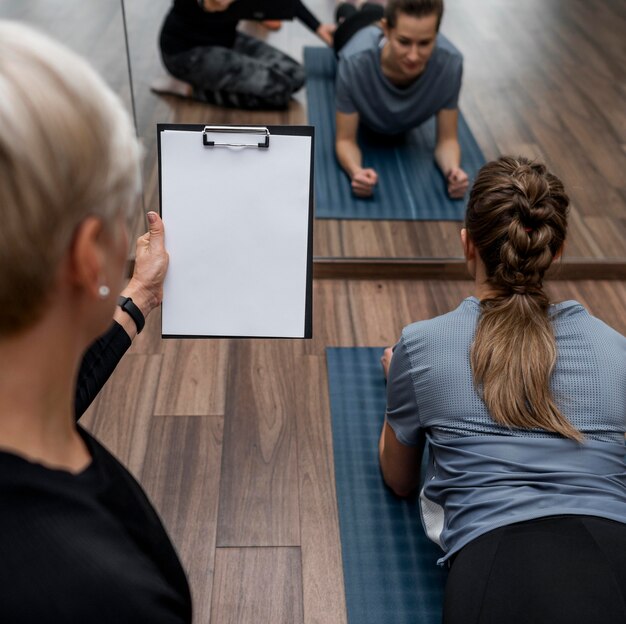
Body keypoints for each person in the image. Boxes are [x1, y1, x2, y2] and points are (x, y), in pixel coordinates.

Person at [379, 156, 626, 623]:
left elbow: (399, 478)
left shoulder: (422, 345)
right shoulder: (617, 351)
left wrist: (401, 381)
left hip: (496, 565)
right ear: (558, 250)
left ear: (467, 244)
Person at [0, 21, 191, 622]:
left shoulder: (24, 407)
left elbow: (50, 388)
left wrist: (137, 294)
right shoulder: (101, 596)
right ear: (89, 254)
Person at [334, 0, 469, 198]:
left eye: (424, 43)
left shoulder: (451, 64)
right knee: (347, 14)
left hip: (383, 22)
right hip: (353, 32)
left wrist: (453, 171)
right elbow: (345, 140)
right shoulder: (353, 61)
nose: (413, 56)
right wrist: (356, 171)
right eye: (404, 42)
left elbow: (447, 140)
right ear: (386, 30)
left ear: (437, 35)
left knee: (372, 8)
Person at [158, 0, 335, 109]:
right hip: (186, 52)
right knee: (278, 92)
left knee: (297, 75)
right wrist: (206, 3)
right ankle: (189, 89)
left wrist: (318, 27)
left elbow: (286, 3)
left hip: (226, 38)